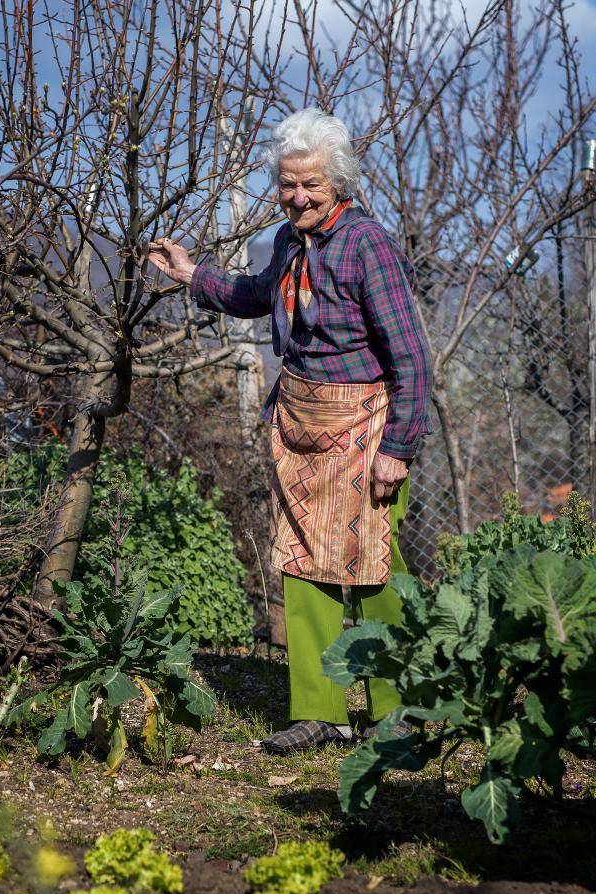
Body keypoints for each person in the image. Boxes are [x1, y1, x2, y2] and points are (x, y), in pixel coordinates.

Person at [146, 108, 433, 754]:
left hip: (366, 432)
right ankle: (321, 713)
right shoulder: (287, 242)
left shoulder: (368, 246)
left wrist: (399, 449)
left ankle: (402, 713)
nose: (297, 197)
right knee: (303, 568)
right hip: (301, 425)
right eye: (288, 184)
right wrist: (193, 275)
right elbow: (258, 294)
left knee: (374, 571)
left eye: (311, 185)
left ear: (340, 184)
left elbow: (412, 357)